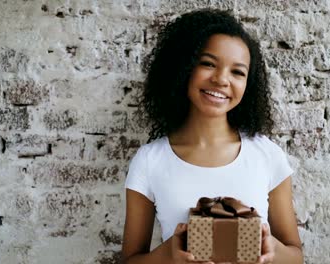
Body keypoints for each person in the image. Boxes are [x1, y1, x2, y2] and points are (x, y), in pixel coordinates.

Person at [121, 8, 303, 264]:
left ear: (248, 84)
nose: (221, 80)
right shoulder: (150, 160)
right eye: (207, 63)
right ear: (184, 68)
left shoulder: (267, 155)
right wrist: (170, 254)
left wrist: (270, 248)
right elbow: (129, 260)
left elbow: (296, 257)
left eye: (237, 72)